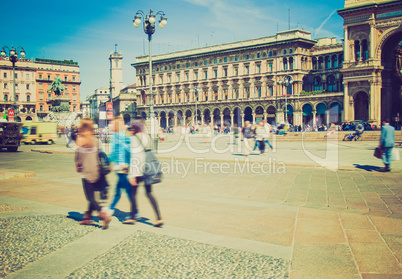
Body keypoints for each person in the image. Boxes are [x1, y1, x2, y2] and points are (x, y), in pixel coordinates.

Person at [74, 118, 111, 229]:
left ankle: (104, 216)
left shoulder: (80, 140)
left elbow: (78, 158)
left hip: (87, 172)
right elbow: (101, 154)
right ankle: (87, 218)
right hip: (97, 171)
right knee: (92, 196)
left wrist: (78, 166)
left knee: (90, 198)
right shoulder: (95, 140)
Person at [126, 120, 163, 227]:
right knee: (149, 193)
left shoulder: (134, 138)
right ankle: (159, 218)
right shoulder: (147, 137)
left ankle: (132, 217)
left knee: (133, 193)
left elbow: (135, 157)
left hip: (139, 169)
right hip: (149, 168)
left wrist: (132, 175)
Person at [107, 117, 137, 221]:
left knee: (123, 190)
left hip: (120, 167)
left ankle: (135, 212)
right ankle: (111, 208)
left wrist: (107, 160)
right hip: (126, 166)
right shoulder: (127, 135)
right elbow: (130, 150)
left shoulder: (115, 136)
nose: (110, 125)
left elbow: (114, 152)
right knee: (121, 190)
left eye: (111, 123)